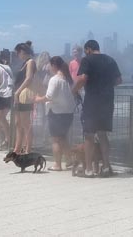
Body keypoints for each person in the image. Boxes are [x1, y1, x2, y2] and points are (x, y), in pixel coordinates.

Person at [72, 39, 122, 178]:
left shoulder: (87, 60)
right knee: (103, 135)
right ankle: (106, 168)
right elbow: (119, 80)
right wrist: (105, 86)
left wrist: (74, 90)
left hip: (92, 102)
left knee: (89, 135)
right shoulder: (110, 60)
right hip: (107, 102)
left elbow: (82, 79)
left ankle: (88, 170)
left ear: (88, 49)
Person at [35, 56, 76, 171]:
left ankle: (57, 165)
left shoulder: (55, 79)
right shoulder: (67, 79)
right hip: (68, 113)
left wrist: (38, 99)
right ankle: (70, 160)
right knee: (63, 138)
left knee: (55, 140)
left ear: (53, 66)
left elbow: (49, 96)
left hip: (56, 113)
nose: (48, 67)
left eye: (49, 65)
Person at [12, 41, 38, 154]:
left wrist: (17, 92)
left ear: (22, 51)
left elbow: (29, 78)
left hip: (23, 95)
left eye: (18, 52)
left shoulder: (30, 62)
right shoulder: (24, 63)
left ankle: (28, 149)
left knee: (26, 123)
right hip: (19, 94)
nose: (18, 55)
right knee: (18, 123)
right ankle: (17, 148)